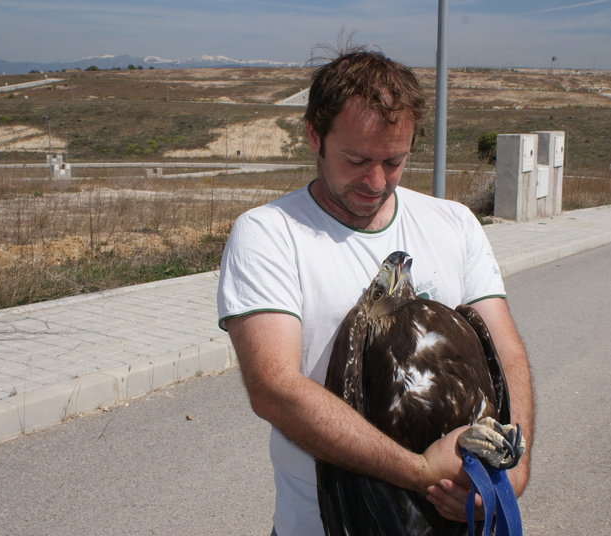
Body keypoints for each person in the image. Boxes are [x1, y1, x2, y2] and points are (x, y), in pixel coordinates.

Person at [217, 48, 534, 536]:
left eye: (394, 160)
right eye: (357, 159)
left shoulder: (453, 223)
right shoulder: (269, 234)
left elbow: (505, 349)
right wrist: (419, 472)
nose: (376, 180)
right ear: (313, 136)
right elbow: (274, 387)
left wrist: (513, 471)